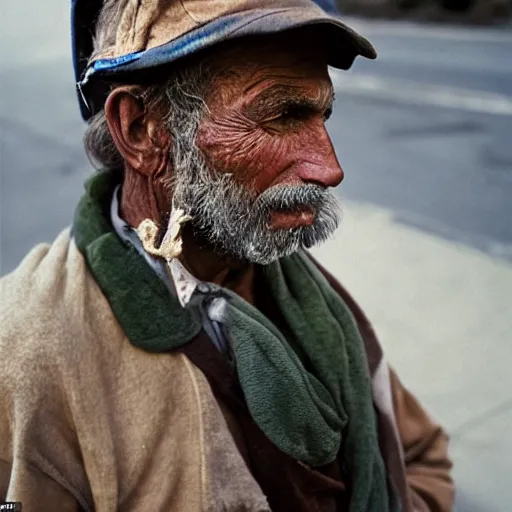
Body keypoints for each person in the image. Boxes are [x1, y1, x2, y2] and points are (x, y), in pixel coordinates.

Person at [0, 1, 454, 510]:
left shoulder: (301, 293)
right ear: (140, 130)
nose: (329, 168)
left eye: (322, 114)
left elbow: (421, 454)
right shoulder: (30, 351)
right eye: (281, 114)